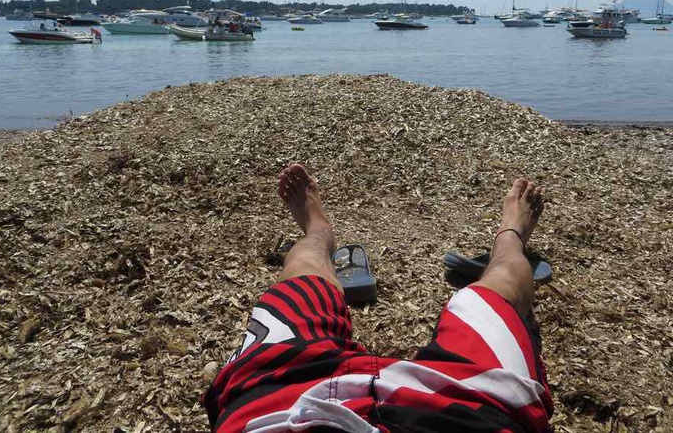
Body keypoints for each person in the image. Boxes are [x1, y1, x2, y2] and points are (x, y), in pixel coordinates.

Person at [203, 164, 553, 432]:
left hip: (277, 405)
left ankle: (318, 232)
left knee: (304, 276)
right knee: (496, 290)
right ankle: (510, 236)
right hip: (469, 410)